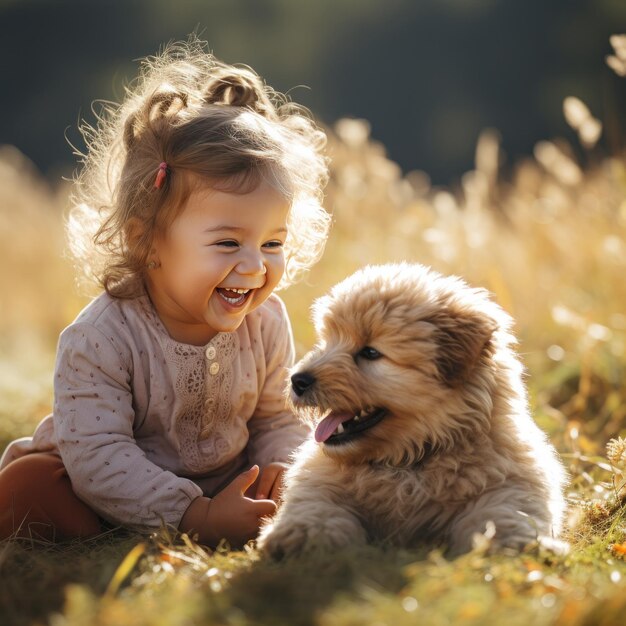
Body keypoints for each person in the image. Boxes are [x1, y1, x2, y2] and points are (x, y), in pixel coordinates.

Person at [0, 38, 330, 547]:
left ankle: (230, 515)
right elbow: (99, 456)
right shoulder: (101, 338)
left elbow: (275, 418)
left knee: (310, 472)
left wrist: (277, 472)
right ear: (146, 240)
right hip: (105, 488)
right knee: (31, 486)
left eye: (272, 242)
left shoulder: (265, 322)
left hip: (224, 478)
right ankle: (141, 530)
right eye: (226, 242)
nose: (253, 264)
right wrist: (193, 514)